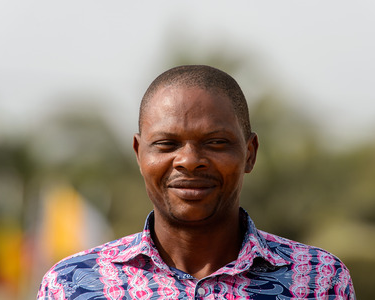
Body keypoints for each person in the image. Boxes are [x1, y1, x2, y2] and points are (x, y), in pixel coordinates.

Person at [37, 65, 355, 299]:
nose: (189, 160)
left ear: (250, 153)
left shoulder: (318, 279)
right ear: (139, 153)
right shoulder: (72, 284)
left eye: (215, 143)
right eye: (166, 144)